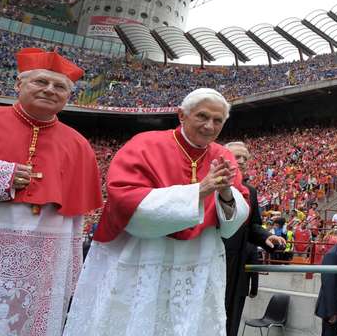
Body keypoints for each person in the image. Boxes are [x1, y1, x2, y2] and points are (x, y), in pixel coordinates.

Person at [63, 88, 251, 336]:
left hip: (197, 258)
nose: (209, 126)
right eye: (202, 116)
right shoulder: (145, 144)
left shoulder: (223, 155)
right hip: (144, 253)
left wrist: (226, 193)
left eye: (217, 120)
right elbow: (125, 200)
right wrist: (200, 190)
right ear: (182, 115)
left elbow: (233, 220)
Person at [0, 48, 103, 336]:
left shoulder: (79, 145)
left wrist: (70, 276)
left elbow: (74, 220)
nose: (50, 90)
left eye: (59, 86)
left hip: (42, 261)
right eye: (40, 82)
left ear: (68, 96)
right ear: (19, 85)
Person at [223, 141, 286, 336]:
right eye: (236, 156)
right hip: (214, 262)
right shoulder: (208, 185)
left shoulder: (250, 191)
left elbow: (252, 226)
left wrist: (266, 237)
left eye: (245, 158)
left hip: (238, 269)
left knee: (232, 321)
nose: (241, 161)